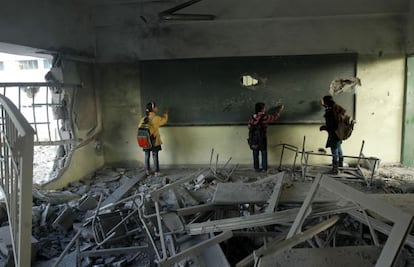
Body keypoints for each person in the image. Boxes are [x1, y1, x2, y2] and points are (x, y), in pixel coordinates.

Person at [248, 102, 284, 172]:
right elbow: (274, 118)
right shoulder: (265, 117)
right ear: (262, 109)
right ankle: (264, 168)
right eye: (264, 108)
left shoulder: (253, 117)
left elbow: (249, 126)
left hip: (253, 138)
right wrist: (279, 110)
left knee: (255, 152)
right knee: (263, 152)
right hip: (262, 137)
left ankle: (256, 168)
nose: (265, 109)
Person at [138, 101, 168, 176]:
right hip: (154, 140)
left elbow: (139, 127)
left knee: (147, 155)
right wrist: (165, 114)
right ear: (153, 109)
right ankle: (157, 172)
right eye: (156, 107)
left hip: (145, 140)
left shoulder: (143, 118)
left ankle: (147, 170)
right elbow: (163, 122)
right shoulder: (156, 118)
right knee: (155, 155)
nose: (157, 108)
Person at [319, 95, 346, 174]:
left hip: (333, 134)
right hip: (339, 133)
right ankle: (340, 166)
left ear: (327, 102)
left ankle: (335, 170)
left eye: (324, 102)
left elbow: (331, 125)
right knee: (339, 148)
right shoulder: (336, 108)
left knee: (334, 151)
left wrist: (324, 127)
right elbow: (331, 111)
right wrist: (324, 105)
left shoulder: (330, 112)